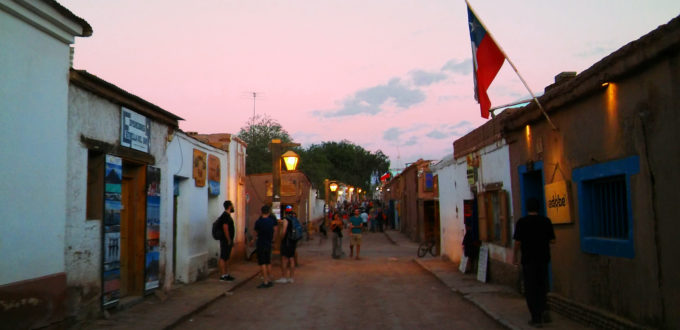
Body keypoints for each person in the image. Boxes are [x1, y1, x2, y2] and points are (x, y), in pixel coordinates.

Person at [513, 198, 556, 328]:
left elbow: (517, 242)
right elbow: (553, 240)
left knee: (531, 289)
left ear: (527, 208)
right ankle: (543, 311)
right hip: (543, 260)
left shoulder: (522, 223)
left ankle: (536, 317)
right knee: (542, 286)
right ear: (539, 208)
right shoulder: (546, 221)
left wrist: (515, 256)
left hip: (528, 260)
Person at [254, 205, 278, 288]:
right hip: (268, 243)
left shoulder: (258, 222)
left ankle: (265, 281)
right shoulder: (271, 222)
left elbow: (256, 233)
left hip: (261, 243)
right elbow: (275, 230)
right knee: (268, 262)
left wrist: (253, 240)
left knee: (262, 263)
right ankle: (269, 278)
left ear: (261, 212)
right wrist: (273, 240)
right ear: (268, 212)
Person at [276, 206, 298, 284]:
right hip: (293, 241)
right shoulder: (294, 218)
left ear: (285, 211)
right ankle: (291, 278)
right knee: (291, 259)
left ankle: (284, 277)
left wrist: (281, 237)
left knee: (284, 259)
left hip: (286, 242)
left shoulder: (286, 219)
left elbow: (284, 231)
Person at [217, 200, 235, 281]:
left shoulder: (227, 215)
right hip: (225, 240)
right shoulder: (225, 216)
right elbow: (225, 227)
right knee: (223, 256)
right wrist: (228, 239)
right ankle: (223, 275)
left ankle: (226, 274)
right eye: (232, 205)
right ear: (229, 206)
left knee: (226, 257)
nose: (233, 207)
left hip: (227, 240)